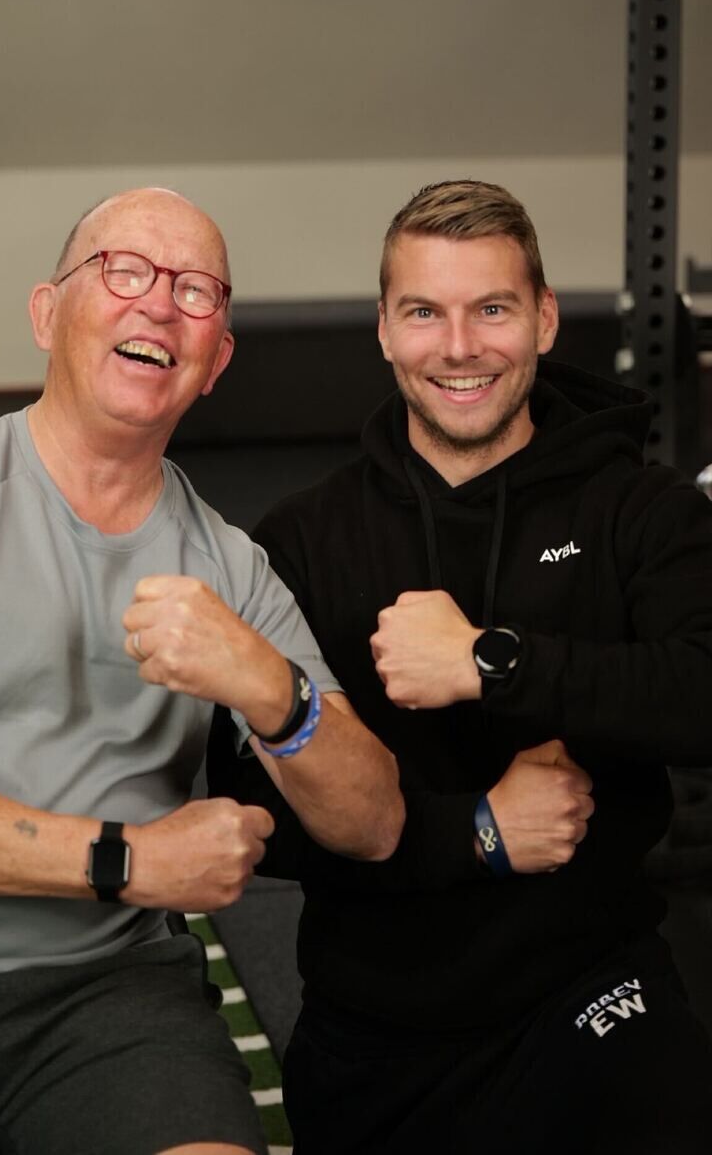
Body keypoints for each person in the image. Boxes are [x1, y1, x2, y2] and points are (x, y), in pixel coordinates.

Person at [208, 179, 712, 1155]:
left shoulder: (636, 510)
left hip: (587, 985)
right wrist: (474, 832)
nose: (458, 346)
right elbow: (253, 810)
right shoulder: (304, 542)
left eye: (491, 309)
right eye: (423, 313)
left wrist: (493, 661)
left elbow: (701, 690)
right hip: (374, 1021)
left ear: (543, 320)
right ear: (383, 331)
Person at [0, 186, 403, 1155]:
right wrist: (128, 860)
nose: (159, 305)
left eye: (195, 291)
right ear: (47, 314)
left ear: (215, 361)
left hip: (109, 999)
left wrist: (273, 689)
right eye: (124, 271)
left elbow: (373, 822)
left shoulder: (231, 567)